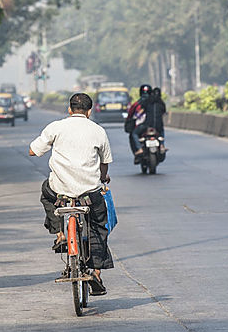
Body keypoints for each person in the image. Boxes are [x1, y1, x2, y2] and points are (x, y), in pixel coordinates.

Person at [29, 92, 113, 296]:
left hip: (60, 190)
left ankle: (60, 234)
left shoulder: (56, 127)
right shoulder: (98, 131)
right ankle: (96, 272)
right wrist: (103, 177)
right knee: (98, 225)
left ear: (69, 109)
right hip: (89, 192)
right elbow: (104, 163)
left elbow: (33, 151)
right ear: (89, 111)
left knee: (46, 194)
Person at [125, 84, 152, 161]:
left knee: (133, 134)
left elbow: (130, 114)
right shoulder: (156, 103)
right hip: (155, 125)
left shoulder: (137, 104)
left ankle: (139, 150)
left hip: (142, 126)